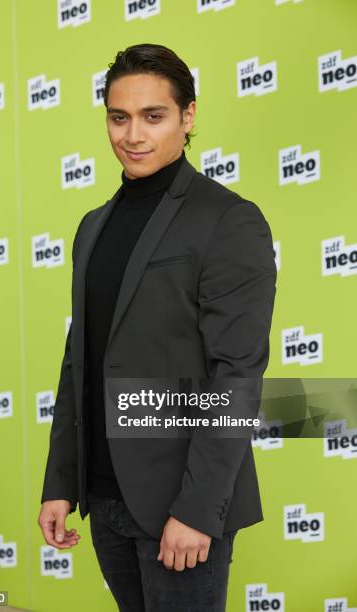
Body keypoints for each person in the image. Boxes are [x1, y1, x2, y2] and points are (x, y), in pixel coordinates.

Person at [38, 43, 277, 611]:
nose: (132, 135)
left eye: (153, 116)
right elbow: (81, 362)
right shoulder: (92, 227)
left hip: (181, 503)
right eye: (119, 117)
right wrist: (61, 482)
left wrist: (196, 509)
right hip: (104, 497)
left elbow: (237, 375)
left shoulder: (227, 219)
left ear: (187, 116)